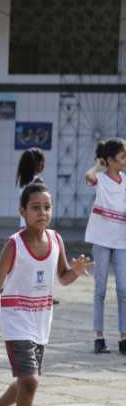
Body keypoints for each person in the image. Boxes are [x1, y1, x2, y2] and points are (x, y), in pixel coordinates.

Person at [0, 183, 92, 406]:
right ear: (23, 211)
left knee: (26, 380)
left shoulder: (56, 240)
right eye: (35, 207)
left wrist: (75, 272)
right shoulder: (14, 245)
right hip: (16, 318)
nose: (42, 212)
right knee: (29, 380)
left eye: (47, 207)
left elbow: (62, 277)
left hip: (42, 319)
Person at [83, 138, 126, 355]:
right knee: (100, 289)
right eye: (122, 157)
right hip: (100, 239)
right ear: (110, 160)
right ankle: (98, 337)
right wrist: (99, 165)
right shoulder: (99, 178)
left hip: (121, 241)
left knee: (123, 289)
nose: (125, 160)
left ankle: (124, 337)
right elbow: (88, 177)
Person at [16, 148, 46, 228]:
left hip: (24, 223)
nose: (43, 164)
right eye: (41, 161)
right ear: (35, 164)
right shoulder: (37, 181)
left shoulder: (22, 182)